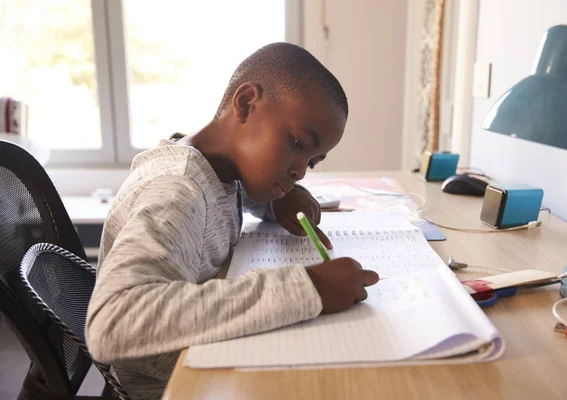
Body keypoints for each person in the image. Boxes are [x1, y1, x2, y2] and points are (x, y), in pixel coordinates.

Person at [86, 42, 379, 399]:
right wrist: (307, 288)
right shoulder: (177, 193)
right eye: (298, 143)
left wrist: (276, 202)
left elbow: (223, 200)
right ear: (246, 104)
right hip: (176, 385)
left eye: (312, 162)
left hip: (207, 358)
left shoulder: (216, 168)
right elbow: (113, 323)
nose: (300, 171)